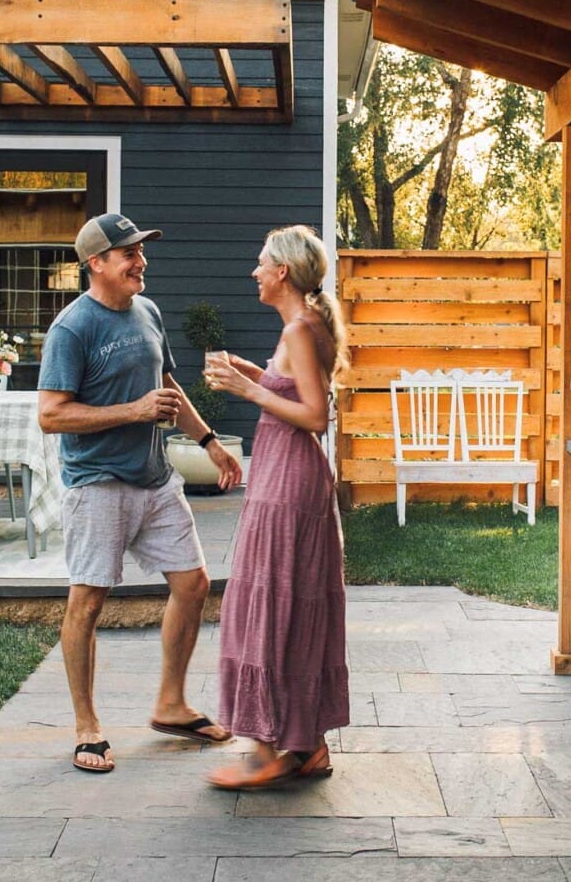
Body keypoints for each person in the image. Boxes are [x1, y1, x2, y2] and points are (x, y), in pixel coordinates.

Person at [38, 212, 242, 774]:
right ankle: (87, 727)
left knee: (194, 582)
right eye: (128, 253)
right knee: (88, 602)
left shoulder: (148, 312)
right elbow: (51, 416)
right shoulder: (72, 329)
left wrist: (208, 443)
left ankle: (170, 704)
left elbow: (167, 388)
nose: (141, 261)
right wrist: (132, 411)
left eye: (141, 250)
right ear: (95, 263)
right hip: (98, 484)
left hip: (154, 479)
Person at [205, 224, 349, 790]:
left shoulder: (298, 329)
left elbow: (316, 416)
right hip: (290, 478)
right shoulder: (305, 326)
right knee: (291, 605)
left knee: (267, 604)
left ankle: (267, 753)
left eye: (261, 263)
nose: (255, 271)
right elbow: (294, 385)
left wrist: (249, 392)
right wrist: (246, 368)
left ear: (282, 272)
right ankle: (307, 746)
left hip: (289, 482)